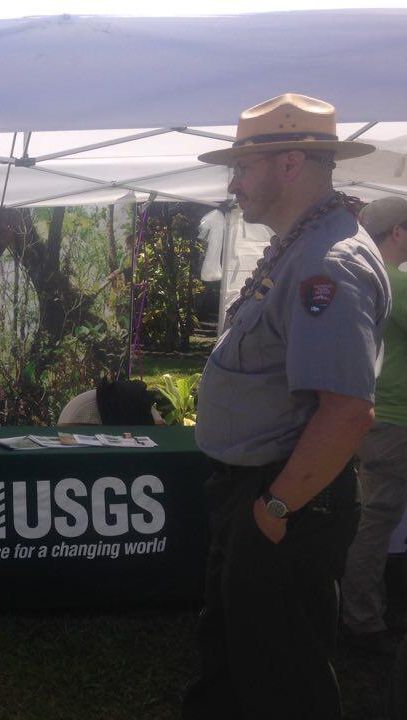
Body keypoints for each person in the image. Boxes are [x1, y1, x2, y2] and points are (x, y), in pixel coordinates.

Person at [181, 94, 390, 720]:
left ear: (291, 163)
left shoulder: (328, 262)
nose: (234, 182)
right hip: (259, 491)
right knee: (232, 655)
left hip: (285, 496)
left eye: (244, 167)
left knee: (281, 677)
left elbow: (348, 412)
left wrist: (275, 508)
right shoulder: (297, 245)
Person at [341, 196, 407, 653]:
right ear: (398, 231)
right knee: (377, 521)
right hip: (393, 421)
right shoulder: (394, 283)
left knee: (373, 518)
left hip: (374, 415)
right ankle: (361, 620)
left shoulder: (363, 274)